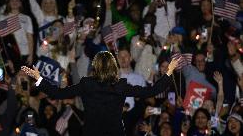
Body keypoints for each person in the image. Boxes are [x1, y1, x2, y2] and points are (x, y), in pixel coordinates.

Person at [21, 51, 178, 136]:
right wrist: (169, 71)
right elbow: (152, 90)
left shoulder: (86, 84)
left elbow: (56, 93)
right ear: (113, 67)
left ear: (95, 67)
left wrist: (39, 78)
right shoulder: (121, 86)